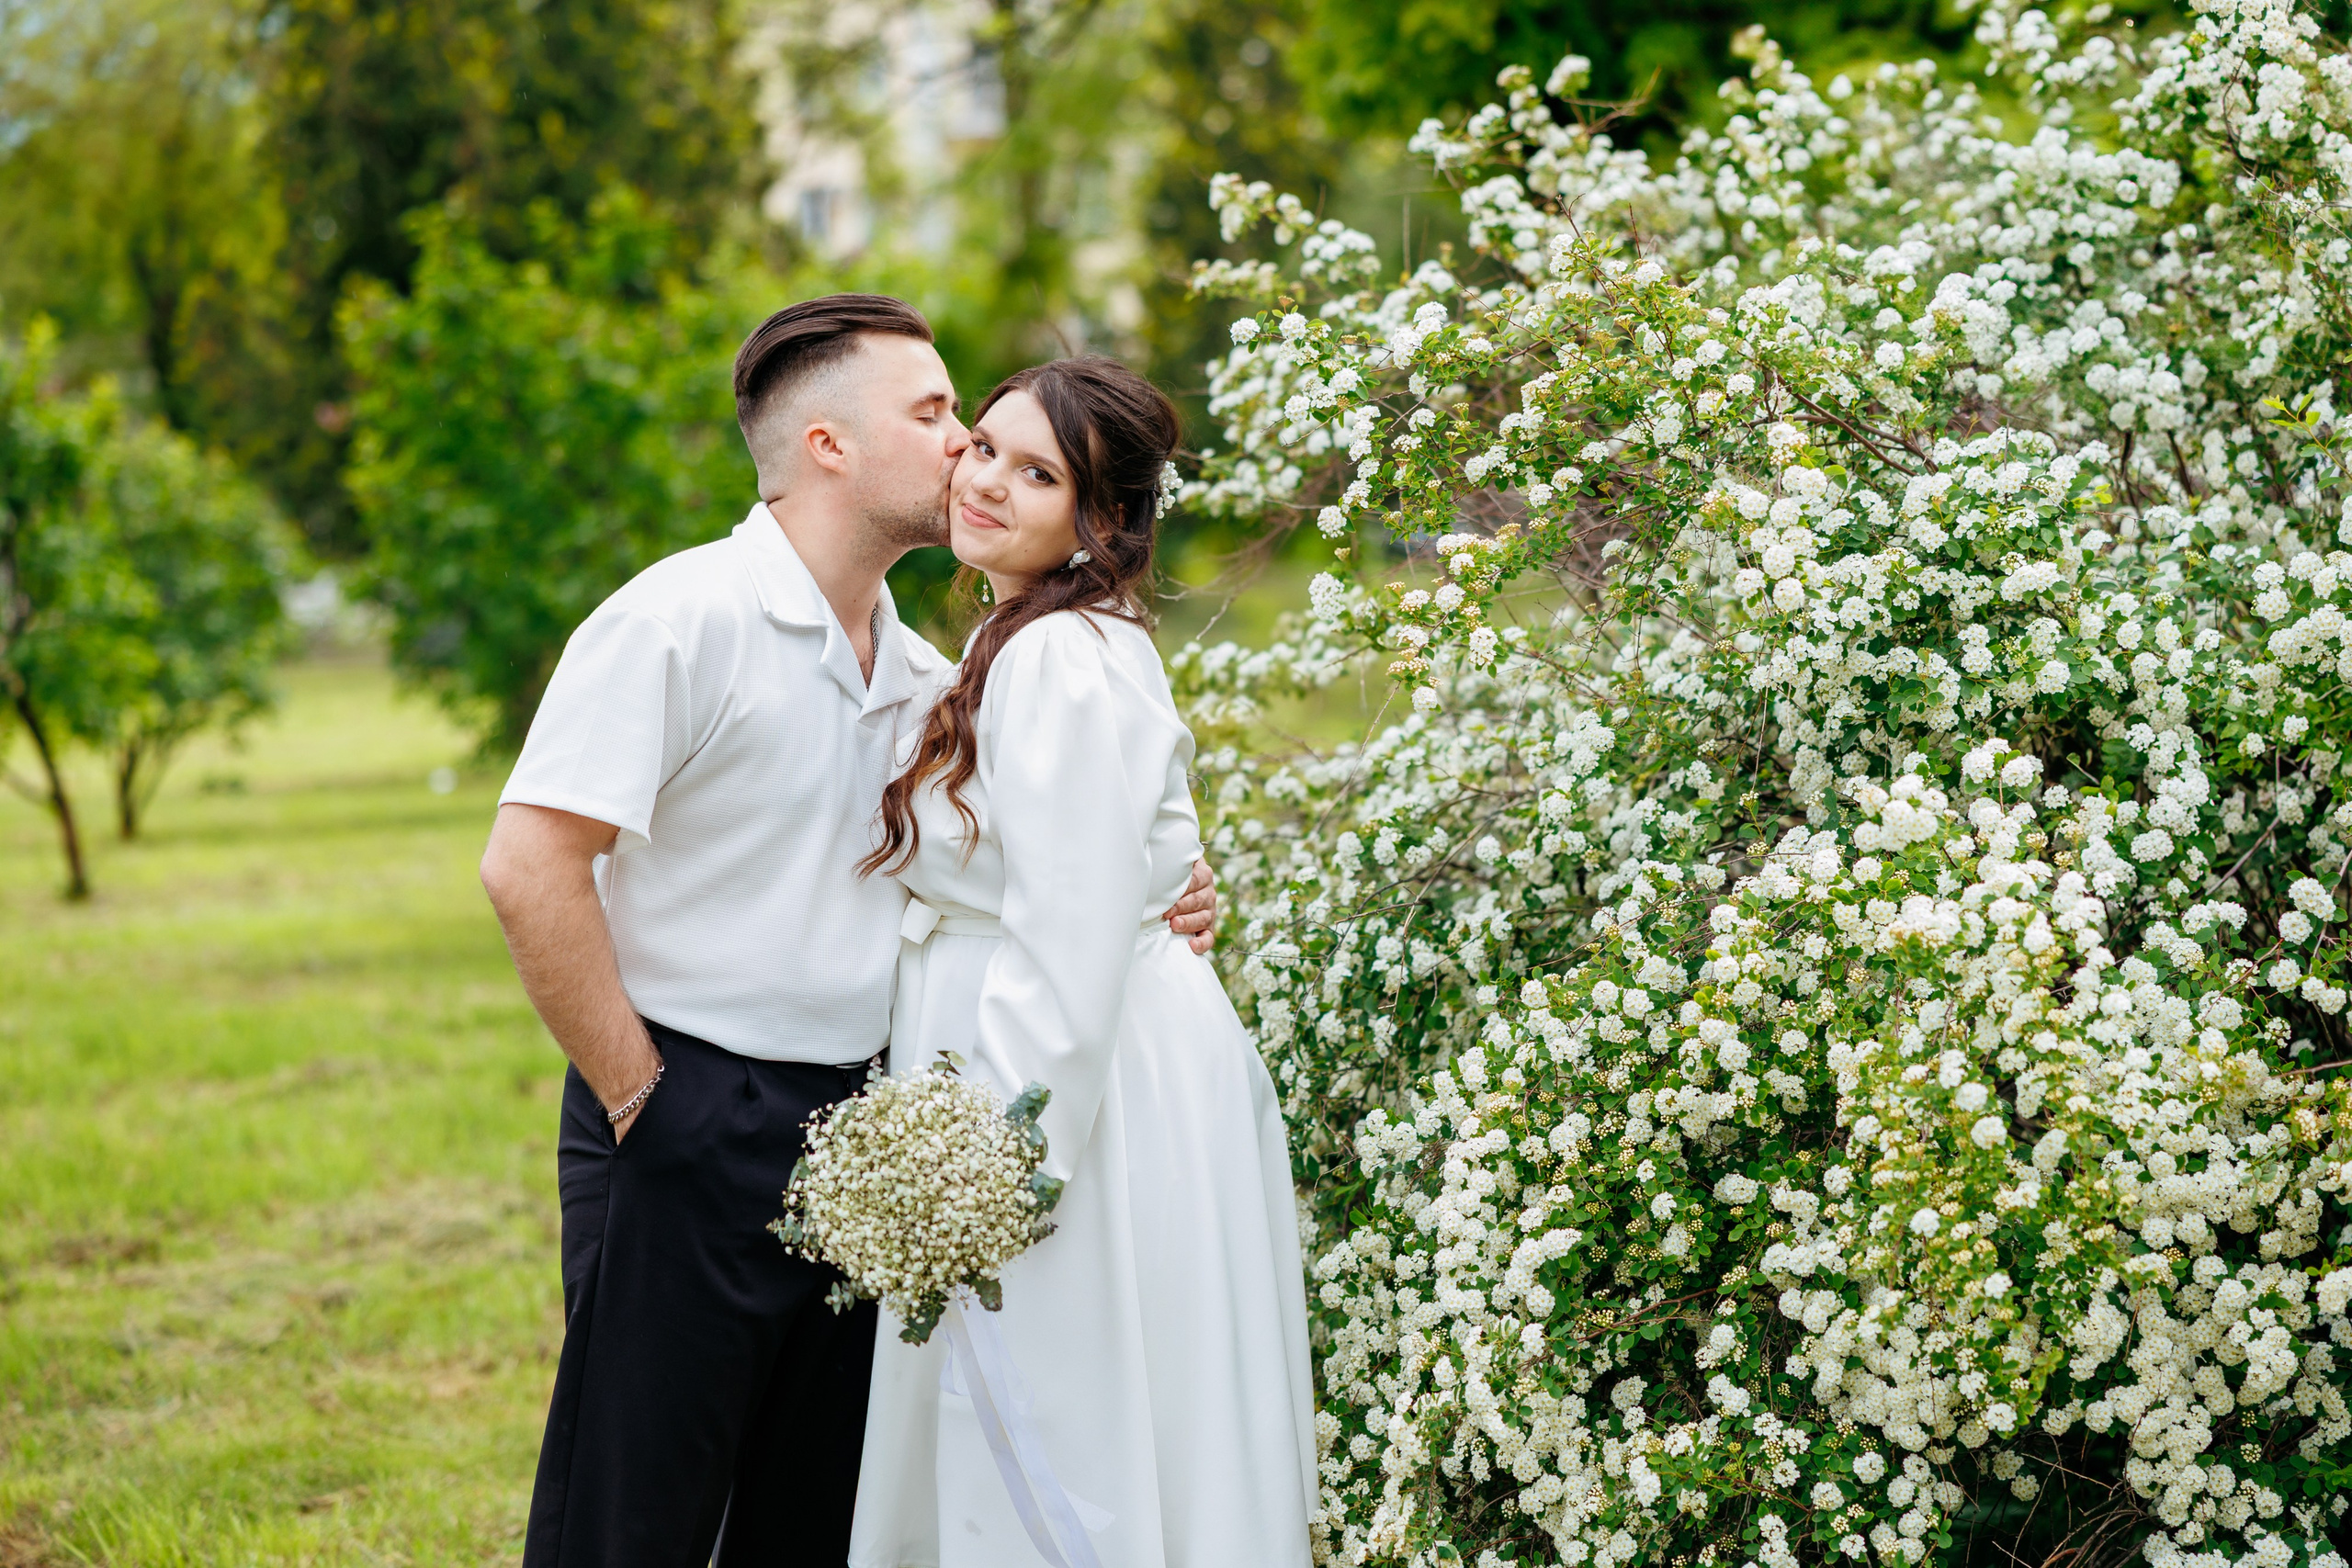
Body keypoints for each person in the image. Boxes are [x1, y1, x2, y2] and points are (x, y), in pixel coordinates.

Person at [478, 298, 1217, 1568]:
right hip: (687, 1108)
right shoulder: (679, 618)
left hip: (870, 1140)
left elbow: (1041, 850)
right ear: (828, 445)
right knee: (634, 1517)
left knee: (819, 1519)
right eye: (937, 417)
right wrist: (642, 1096)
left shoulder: (937, 676)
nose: (966, 449)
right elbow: (528, 864)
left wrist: (1168, 893)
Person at [850, 358, 1316, 1567]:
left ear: (1099, 522)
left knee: (1053, 1426)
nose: (990, 481)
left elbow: (1067, 936)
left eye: (1037, 473)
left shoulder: (1057, 657)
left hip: (1071, 1095)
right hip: (1093, 1060)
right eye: (987, 445)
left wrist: (998, 1174)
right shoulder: (1036, 632)